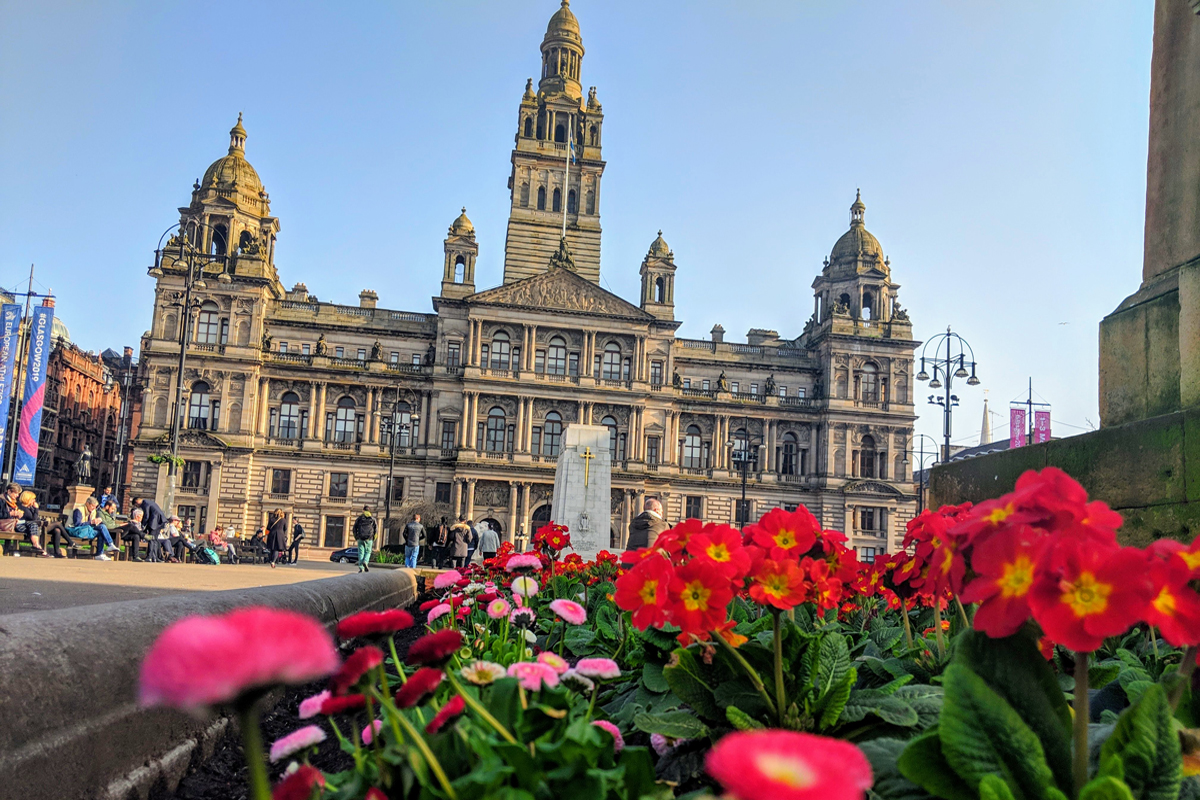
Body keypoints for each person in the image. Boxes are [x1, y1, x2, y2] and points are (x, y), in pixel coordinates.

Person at [352, 506, 377, 573]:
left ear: (363, 510)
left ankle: (361, 568)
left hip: (360, 538)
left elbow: (354, 528)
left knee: (361, 553)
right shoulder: (372, 519)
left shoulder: (359, 519)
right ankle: (365, 562)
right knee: (368, 552)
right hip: (369, 539)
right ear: (369, 511)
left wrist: (356, 537)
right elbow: (376, 530)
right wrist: (373, 538)